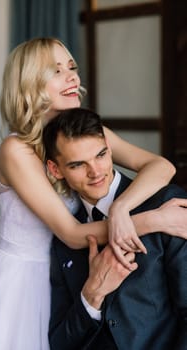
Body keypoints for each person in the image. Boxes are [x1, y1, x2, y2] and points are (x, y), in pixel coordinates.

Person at [0, 38, 184, 350]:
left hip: (61, 268)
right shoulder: (16, 149)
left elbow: (161, 166)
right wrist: (155, 220)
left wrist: (121, 209)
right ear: (29, 85)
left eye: (72, 67)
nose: (72, 76)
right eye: (56, 71)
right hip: (22, 279)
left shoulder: (81, 132)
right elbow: (72, 234)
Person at [43, 107, 187, 350]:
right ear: (56, 170)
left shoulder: (168, 207)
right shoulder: (64, 239)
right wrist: (92, 295)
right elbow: (59, 342)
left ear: (110, 149)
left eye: (100, 155)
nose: (96, 172)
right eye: (78, 165)